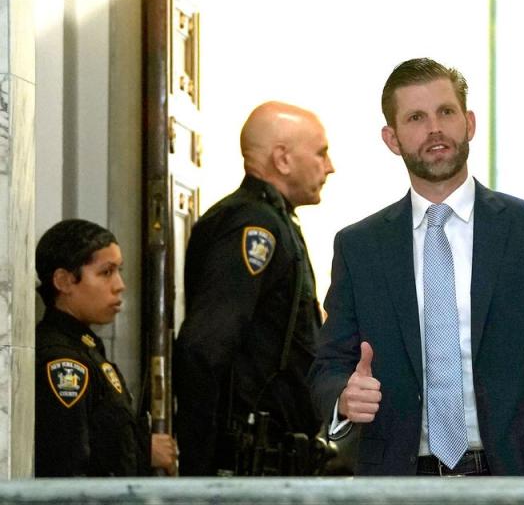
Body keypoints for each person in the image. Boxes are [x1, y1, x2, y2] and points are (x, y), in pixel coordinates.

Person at [310, 57, 524, 476]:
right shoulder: (360, 247)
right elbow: (328, 366)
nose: (435, 128)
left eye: (446, 112)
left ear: (470, 123)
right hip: (399, 484)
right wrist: (343, 399)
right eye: (416, 118)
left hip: (518, 483)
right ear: (392, 138)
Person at [173, 101, 335, 476]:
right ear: (282, 159)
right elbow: (204, 347)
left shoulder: (274, 220)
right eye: (321, 153)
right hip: (250, 466)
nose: (329, 166)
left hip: (275, 461)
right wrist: (200, 471)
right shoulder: (253, 226)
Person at [35, 219, 178, 476]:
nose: (119, 285)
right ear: (64, 281)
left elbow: (106, 439)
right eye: (106, 272)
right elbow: (68, 471)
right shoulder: (63, 362)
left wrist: (141, 447)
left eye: (118, 271)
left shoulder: (86, 347)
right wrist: (144, 453)